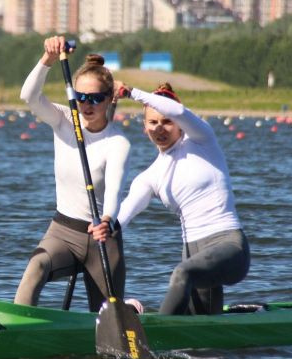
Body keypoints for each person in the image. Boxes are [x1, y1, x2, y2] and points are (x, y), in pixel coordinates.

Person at [90, 81, 250, 315]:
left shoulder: (201, 139)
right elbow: (126, 212)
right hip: (193, 253)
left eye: (167, 122)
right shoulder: (150, 176)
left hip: (229, 247)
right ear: (144, 127)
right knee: (204, 328)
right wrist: (107, 225)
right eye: (153, 123)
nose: (160, 129)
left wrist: (132, 93)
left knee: (181, 273)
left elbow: (178, 110)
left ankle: (156, 337)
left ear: (180, 126)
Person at [14, 36, 130, 312]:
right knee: (36, 266)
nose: (86, 105)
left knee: (105, 313)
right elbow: (28, 96)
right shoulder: (64, 120)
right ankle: (18, 332)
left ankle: (124, 315)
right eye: (80, 97)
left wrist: (106, 219)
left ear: (110, 98)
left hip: (102, 237)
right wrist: (48, 59)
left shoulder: (117, 143)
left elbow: (114, 191)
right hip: (62, 231)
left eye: (95, 98)